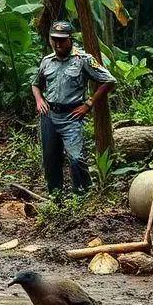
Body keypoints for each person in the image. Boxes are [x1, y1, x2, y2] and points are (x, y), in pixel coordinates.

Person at [30, 20, 117, 194]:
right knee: (50, 158)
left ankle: (82, 193)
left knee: (76, 158)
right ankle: (56, 196)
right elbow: (36, 83)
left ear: (70, 39)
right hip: (49, 115)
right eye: (54, 39)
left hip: (72, 115)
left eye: (62, 40)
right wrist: (39, 100)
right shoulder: (47, 61)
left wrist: (89, 104)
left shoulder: (83, 60)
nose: (58, 43)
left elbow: (109, 80)